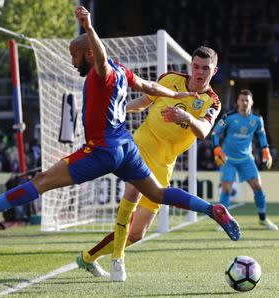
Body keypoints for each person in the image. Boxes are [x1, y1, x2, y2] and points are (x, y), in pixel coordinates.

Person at [0, 6, 240, 282]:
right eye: (196, 66)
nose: (72, 61)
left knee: (42, 181)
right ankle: (209, 209)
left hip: (104, 150)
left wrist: (89, 27)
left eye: (74, 55)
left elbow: (103, 60)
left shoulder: (102, 72)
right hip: (131, 147)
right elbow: (150, 91)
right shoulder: (127, 73)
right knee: (156, 194)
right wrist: (170, 97)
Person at [76, 45, 223, 278]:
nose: (199, 72)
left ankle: (87, 258)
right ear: (191, 66)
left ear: (214, 71)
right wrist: (120, 110)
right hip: (140, 148)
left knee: (137, 233)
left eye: (206, 68)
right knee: (130, 201)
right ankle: (117, 260)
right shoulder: (170, 79)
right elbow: (145, 100)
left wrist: (186, 117)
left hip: (165, 163)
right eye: (196, 66)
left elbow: (204, 131)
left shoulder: (212, 102)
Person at [212, 89, 278, 231]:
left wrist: (266, 151)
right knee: (226, 189)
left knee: (258, 187)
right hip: (228, 159)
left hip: (246, 158)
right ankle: (224, 223)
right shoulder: (228, 117)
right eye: (242, 100)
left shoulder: (256, 120)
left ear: (251, 102)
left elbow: (261, 136)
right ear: (237, 102)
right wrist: (217, 149)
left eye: (247, 100)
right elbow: (215, 133)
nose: (244, 103)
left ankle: (263, 218)